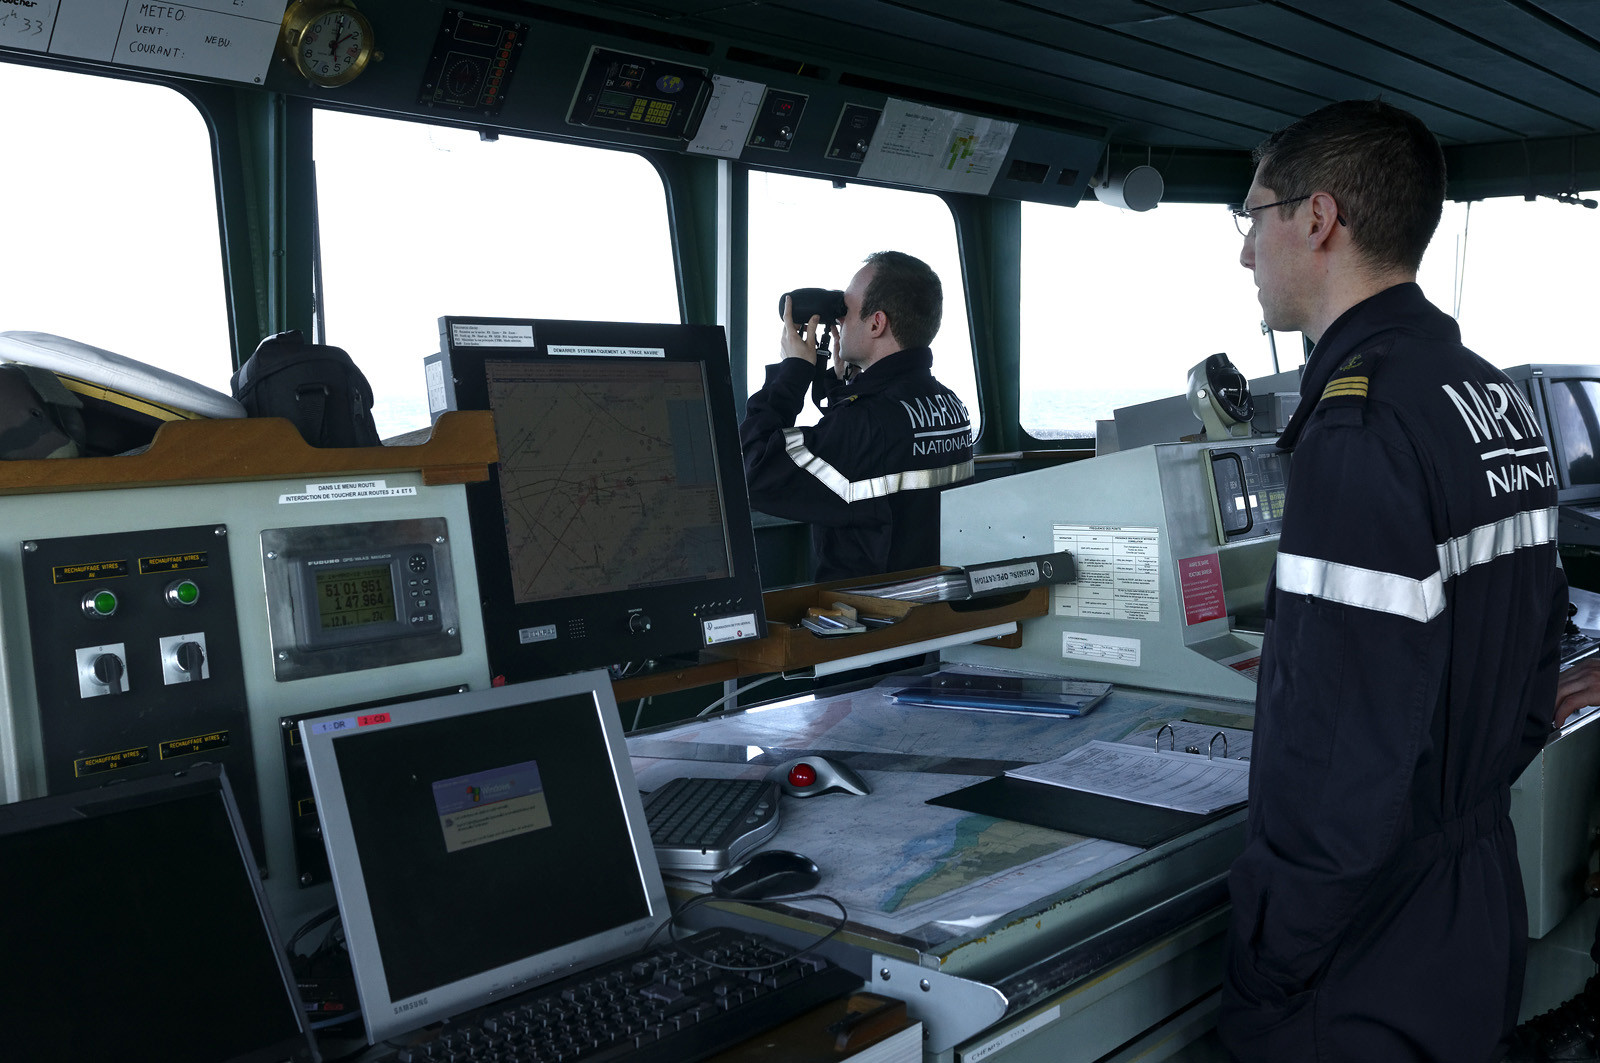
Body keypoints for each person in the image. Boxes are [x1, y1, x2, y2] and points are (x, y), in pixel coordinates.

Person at [1218, 99, 1568, 1062]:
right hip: (1473, 889)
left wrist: (1270, 953)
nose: (1247, 251)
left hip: (1366, 941)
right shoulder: (1492, 394)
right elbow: (1538, 663)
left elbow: (1340, 754)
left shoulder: (1358, 429)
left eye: (1255, 216)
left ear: (1318, 218)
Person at [740, 251, 975, 582]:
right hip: (930, 607)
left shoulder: (867, 422)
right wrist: (841, 386)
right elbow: (870, 458)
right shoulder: (951, 405)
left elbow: (753, 472)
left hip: (868, 618)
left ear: (877, 323)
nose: (839, 322)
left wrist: (792, 373)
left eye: (845, 310)